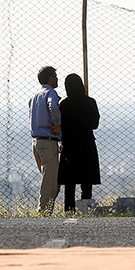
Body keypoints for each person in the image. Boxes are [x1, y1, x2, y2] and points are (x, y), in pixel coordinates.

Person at [57, 73, 101, 212]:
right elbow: (95, 124)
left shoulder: (64, 104)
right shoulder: (90, 102)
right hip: (86, 144)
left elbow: (60, 124)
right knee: (86, 181)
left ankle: (69, 210)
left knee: (69, 183)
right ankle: (85, 210)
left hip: (69, 146)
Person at [29, 66, 62, 214]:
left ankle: (46, 210)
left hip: (36, 142)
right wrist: (57, 124)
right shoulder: (51, 93)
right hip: (48, 141)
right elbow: (53, 107)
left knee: (49, 179)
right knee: (50, 182)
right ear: (50, 78)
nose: (57, 79)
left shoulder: (34, 96)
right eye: (55, 76)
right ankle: (43, 212)